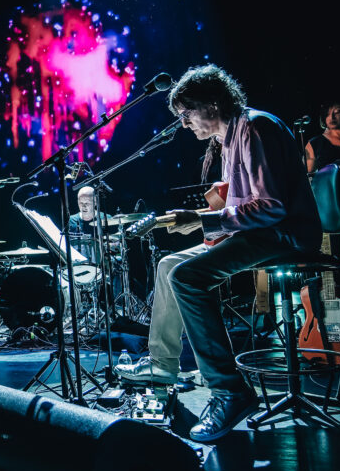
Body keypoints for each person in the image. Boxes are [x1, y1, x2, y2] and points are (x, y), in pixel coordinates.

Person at [116, 64, 322, 442]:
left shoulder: (256, 127)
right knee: (169, 264)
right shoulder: (228, 140)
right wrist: (206, 225)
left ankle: (230, 390)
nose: (183, 124)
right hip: (259, 232)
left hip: (285, 234)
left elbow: (271, 206)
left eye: (186, 113)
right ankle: (163, 367)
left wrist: (201, 219)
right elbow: (239, 206)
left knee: (188, 276)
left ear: (212, 104)